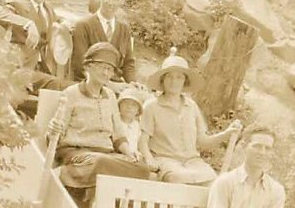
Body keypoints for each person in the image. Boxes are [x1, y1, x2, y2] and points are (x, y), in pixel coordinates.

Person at [47, 43, 149, 199]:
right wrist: (53, 129)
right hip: (78, 154)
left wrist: (130, 153)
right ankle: (68, 174)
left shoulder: (111, 97)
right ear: (88, 67)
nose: (106, 73)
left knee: (142, 168)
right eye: (102, 67)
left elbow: (118, 136)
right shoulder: (71, 94)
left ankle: (89, 187)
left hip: (106, 155)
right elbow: (55, 135)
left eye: (110, 69)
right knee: (100, 162)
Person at [139, 47, 241, 184]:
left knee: (216, 184)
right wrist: (149, 159)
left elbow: (203, 141)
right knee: (179, 179)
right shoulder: (151, 106)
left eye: (179, 77)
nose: (174, 81)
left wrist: (227, 133)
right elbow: (142, 141)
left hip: (193, 162)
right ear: (162, 80)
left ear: (185, 81)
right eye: (169, 76)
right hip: (166, 161)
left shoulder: (191, 106)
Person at [0, 0, 70, 94]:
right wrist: (27, 23)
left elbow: (56, 22)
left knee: (68, 87)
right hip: (22, 67)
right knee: (53, 84)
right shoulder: (18, 4)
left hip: (43, 67)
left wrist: (66, 23)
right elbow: (1, 15)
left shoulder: (48, 10)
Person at [72, 0, 136, 91]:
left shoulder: (124, 29)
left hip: (117, 86)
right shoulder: (83, 26)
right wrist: (109, 85)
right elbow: (81, 67)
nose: (110, 3)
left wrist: (133, 83)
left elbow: (128, 63)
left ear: (122, 0)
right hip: (89, 86)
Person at [117, 88, 143, 158]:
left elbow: (139, 144)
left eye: (133, 105)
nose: (129, 107)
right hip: (118, 154)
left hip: (135, 155)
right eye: (125, 103)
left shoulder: (137, 126)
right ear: (119, 106)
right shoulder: (116, 122)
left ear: (138, 110)